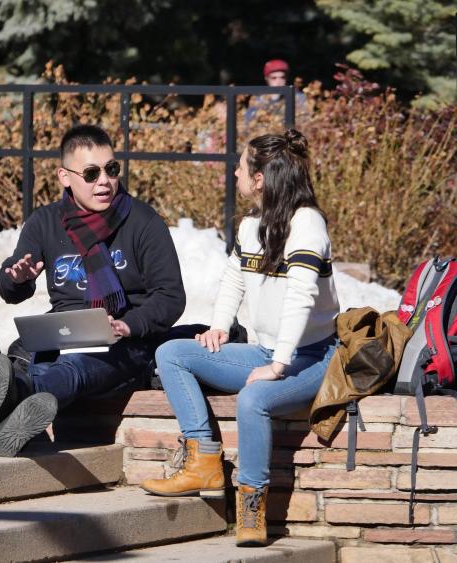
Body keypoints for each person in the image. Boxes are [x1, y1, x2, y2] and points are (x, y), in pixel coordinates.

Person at [140, 129, 339, 548]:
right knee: (172, 353)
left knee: (254, 399)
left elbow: (301, 298)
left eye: (240, 166)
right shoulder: (252, 225)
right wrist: (218, 325)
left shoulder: (308, 224)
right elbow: (235, 276)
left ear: (262, 176)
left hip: (313, 357)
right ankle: (204, 459)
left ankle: (252, 506)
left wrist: (278, 366)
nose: (235, 174)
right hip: (267, 350)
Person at [0, 124, 186, 458]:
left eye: (111, 170)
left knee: (75, 368)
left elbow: (171, 296)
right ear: (65, 177)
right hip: (61, 332)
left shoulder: (143, 222)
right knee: (22, 359)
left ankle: (24, 393)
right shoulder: (45, 222)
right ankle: (8, 422)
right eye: (91, 173)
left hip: (126, 342)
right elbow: (10, 290)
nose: (104, 180)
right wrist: (16, 278)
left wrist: (128, 325)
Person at [245, 59, 308, 125]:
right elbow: (248, 124)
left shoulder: (298, 98)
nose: (278, 82)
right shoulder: (258, 101)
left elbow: (306, 122)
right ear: (266, 79)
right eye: (274, 78)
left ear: (286, 78)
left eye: (282, 77)